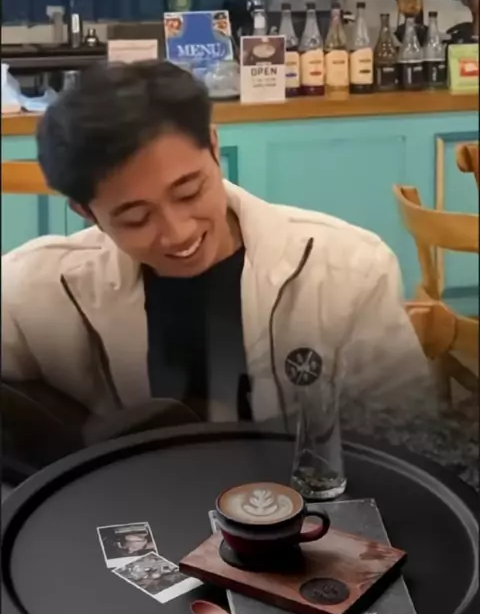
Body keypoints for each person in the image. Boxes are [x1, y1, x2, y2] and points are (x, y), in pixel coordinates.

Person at [2, 60, 433, 431]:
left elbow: (407, 432)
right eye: (136, 218)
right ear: (87, 213)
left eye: (189, 192)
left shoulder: (347, 271)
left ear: (213, 146)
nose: (177, 232)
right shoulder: (35, 291)